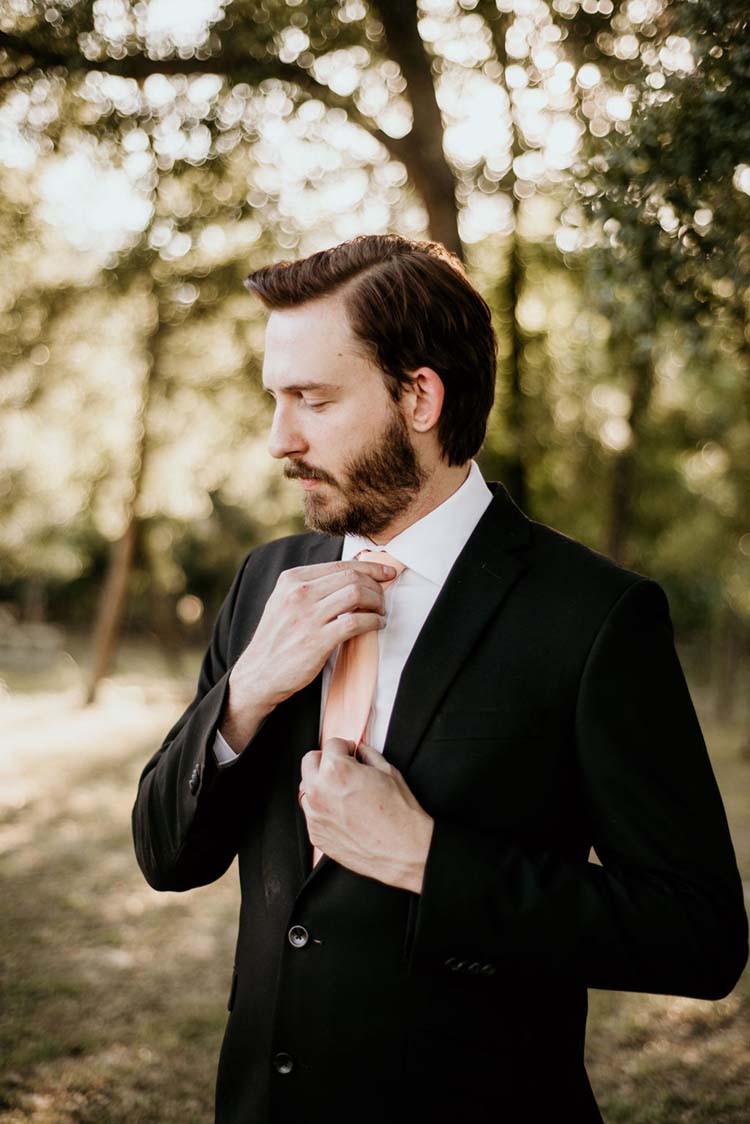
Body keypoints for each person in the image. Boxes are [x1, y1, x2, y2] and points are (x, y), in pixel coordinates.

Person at [131, 234, 748, 1124]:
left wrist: (430, 863)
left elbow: (698, 936)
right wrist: (247, 693)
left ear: (420, 396)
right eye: (275, 399)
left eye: (312, 399)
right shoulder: (266, 581)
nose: (279, 439)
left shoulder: (594, 619)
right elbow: (164, 854)